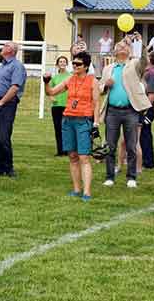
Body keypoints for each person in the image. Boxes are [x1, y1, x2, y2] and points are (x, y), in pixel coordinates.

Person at [43, 51, 99, 201]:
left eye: (78, 64)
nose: (74, 66)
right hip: (68, 120)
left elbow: (96, 103)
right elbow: (51, 92)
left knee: (84, 157)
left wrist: (96, 123)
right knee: (72, 156)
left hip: (83, 120)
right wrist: (46, 81)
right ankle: (76, 189)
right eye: (73, 63)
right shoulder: (70, 79)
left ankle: (86, 191)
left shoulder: (92, 81)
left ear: (86, 66)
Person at [98, 40, 151, 188]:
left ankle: (131, 177)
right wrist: (105, 85)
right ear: (114, 52)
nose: (121, 48)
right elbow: (100, 88)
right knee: (110, 145)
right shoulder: (108, 68)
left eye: (124, 46)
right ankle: (109, 176)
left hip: (130, 110)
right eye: (118, 47)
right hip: (112, 111)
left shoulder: (134, 65)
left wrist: (140, 44)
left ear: (129, 50)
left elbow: (144, 61)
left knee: (131, 145)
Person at [0, 41, 26, 178]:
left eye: (5, 46)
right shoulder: (2, 66)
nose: (2, 47)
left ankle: (8, 167)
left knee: (4, 136)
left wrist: (1, 103)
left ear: (11, 50)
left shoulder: (17, 66)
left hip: (7, 104)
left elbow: (15, 87)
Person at [141, 52, 154, 170]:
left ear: (150, 60)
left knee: (145, 134)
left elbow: (151, 94)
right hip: (145, 107)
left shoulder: (152, 74)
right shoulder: (149, 72)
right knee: (144, 134)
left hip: (147, 109)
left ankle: (149, 161)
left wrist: (146, 110)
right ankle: (146, 159)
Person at [48, 56, 71, 156]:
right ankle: (60, 150)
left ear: (66, 64)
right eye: (60, 62)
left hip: (67, 106)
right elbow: (49, 91)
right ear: (57, 64)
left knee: (67, 128)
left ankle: (67, 150)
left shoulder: (70, 76)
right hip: (56, 106)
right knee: (58, 128)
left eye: (64, 61)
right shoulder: (54, 78)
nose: (62, 63)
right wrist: (51, 97)